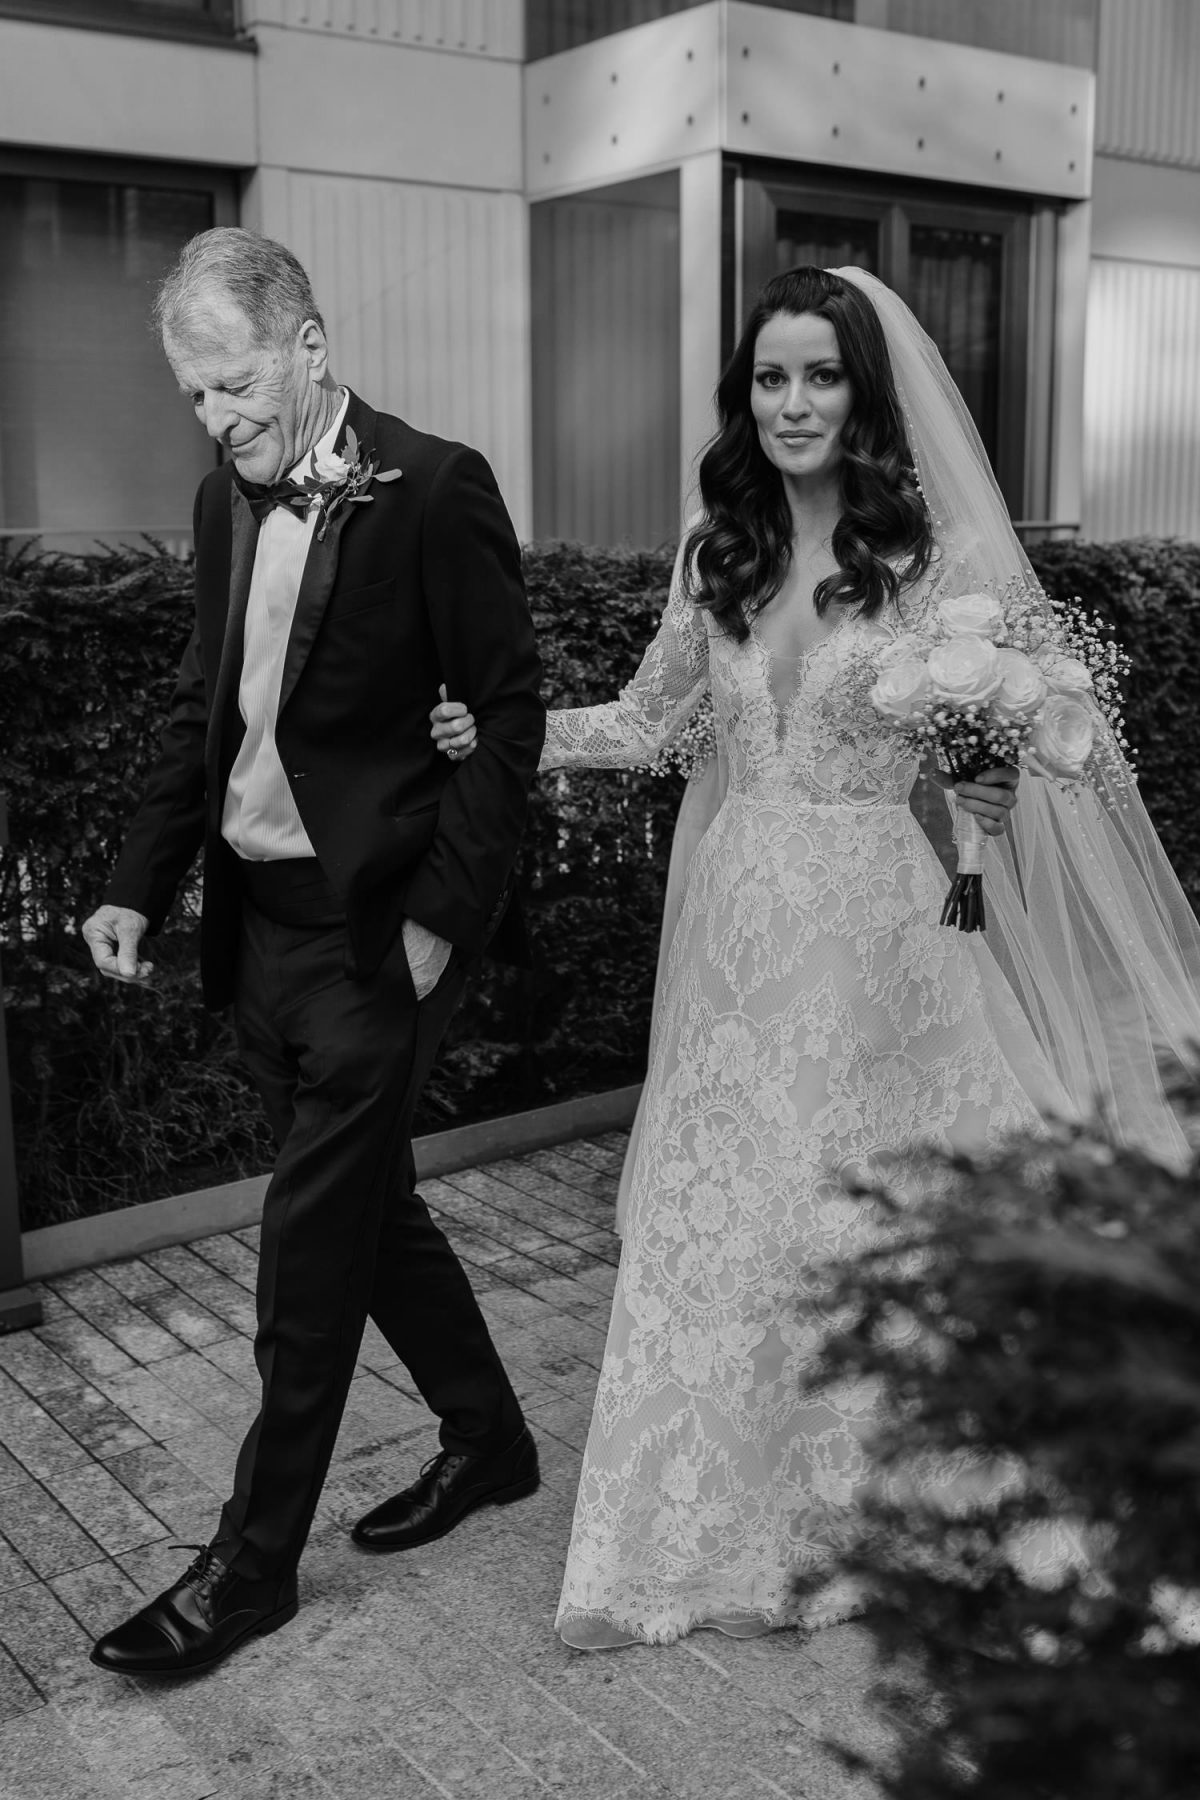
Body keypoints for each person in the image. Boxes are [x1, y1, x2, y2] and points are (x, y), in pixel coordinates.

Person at [432, 265, 1200, 1649]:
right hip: (737, 932)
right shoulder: (712, 551)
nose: (793, 403)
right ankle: (694, 1537)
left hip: (882, 925)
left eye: (820, 376)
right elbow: (653, 721)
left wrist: (985, 783)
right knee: (722, 1209)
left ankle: (909, 1509)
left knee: (878, 1199)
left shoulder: (935, 567)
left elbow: (1018, 755)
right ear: (748, 396)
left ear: (862, 392)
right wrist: (505, 732)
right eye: (771, 378)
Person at [80, 227, 545, 1677]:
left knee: (302, 1254)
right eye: (195, 400)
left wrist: (433, 924)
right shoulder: (223, 504)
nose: (218, 423)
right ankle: (492, 1439)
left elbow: (508, 722)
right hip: (258, 927)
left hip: (375, 938)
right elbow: (202, 713)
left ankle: (248, 1570)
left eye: (233, 387)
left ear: (309, 346)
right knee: (365, 1214)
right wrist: (137, 882)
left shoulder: (435, 487)